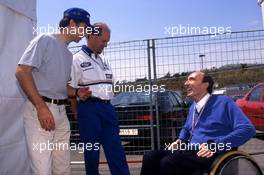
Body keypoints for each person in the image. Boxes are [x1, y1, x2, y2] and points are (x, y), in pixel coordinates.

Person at [15, 8, 92, 175]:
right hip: (40, 111)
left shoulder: (68, 54)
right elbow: (22, 72)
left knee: (63, 169)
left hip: (61, 113)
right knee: (43, 170)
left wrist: (77, 93)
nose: (86, 32)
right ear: (72, 24)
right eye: (84, 27)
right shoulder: (45, 40)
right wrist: (41, 107)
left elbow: (60, 86)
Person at [140, 71, 256, 175]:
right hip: (191, 150)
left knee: (169, 162)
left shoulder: (223, 102)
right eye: (187, 80)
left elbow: (247, 130)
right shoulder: (193, 107)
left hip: (212, 152)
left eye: (192, 79)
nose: (186, 83)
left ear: (205, 85)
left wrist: (216, 145)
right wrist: (180, 140)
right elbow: (187, 128)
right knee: (150, 156)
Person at [68, 22, 130, 175]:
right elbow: (70, 89)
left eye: (107, 42)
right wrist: (76, 111)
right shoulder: (76, 59)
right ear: (92, 36)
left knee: (116, 150)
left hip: (108, 109)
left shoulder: (105, 60)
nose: (106, 45)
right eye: (104, 41)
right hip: (89, 110)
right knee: (92, 154)